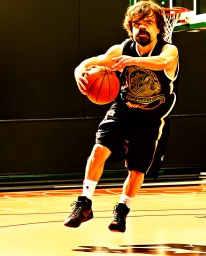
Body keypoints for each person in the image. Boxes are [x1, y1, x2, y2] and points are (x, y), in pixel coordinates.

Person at [64, 0, 179, 233]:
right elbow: (91, 61)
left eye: (148, 23)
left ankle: (122, 209)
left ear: (158, 27)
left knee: (137, 169)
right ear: (131, 28)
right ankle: (84, 204)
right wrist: (79, 72)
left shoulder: (168, 50)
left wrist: (134, 61)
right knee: (99, 150)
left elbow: (163, 63)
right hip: (123, 109)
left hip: (150, 117)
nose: (142, 28)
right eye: (137, 24)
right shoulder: (122, 49)